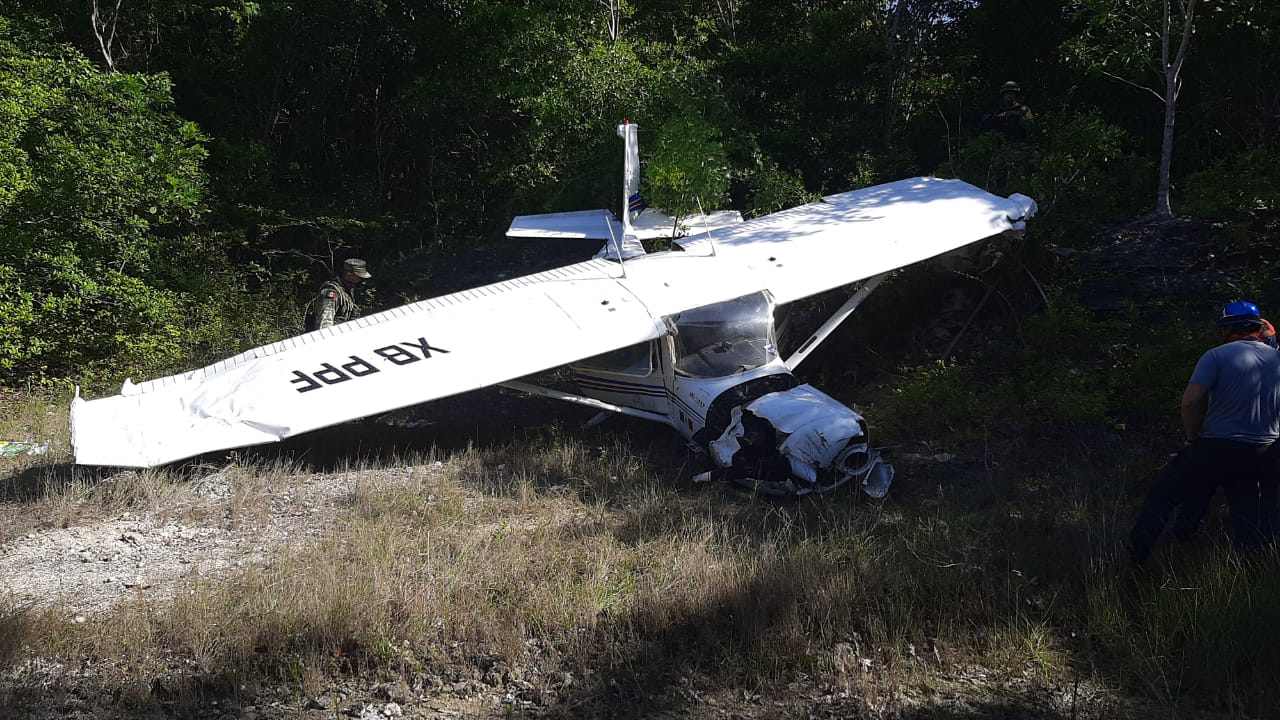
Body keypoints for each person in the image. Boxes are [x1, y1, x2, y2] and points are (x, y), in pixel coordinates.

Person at [1128, 301, 1280, 565]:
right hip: (1262, 452)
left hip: (1216, 447)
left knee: (1163, 494)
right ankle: (1254, 571)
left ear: (1225, 329)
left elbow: (1190, 403)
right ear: (1258, 328)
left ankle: (1138, 556)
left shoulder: (1216, 356)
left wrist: (1191, 437)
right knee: (1247, 512)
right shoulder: (1277, 359)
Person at [305, 258, 371, 332]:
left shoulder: (347, 290)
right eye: (359, 277)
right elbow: (324, 322)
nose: (361, 280)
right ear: (348, 275)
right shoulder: (332, 292)